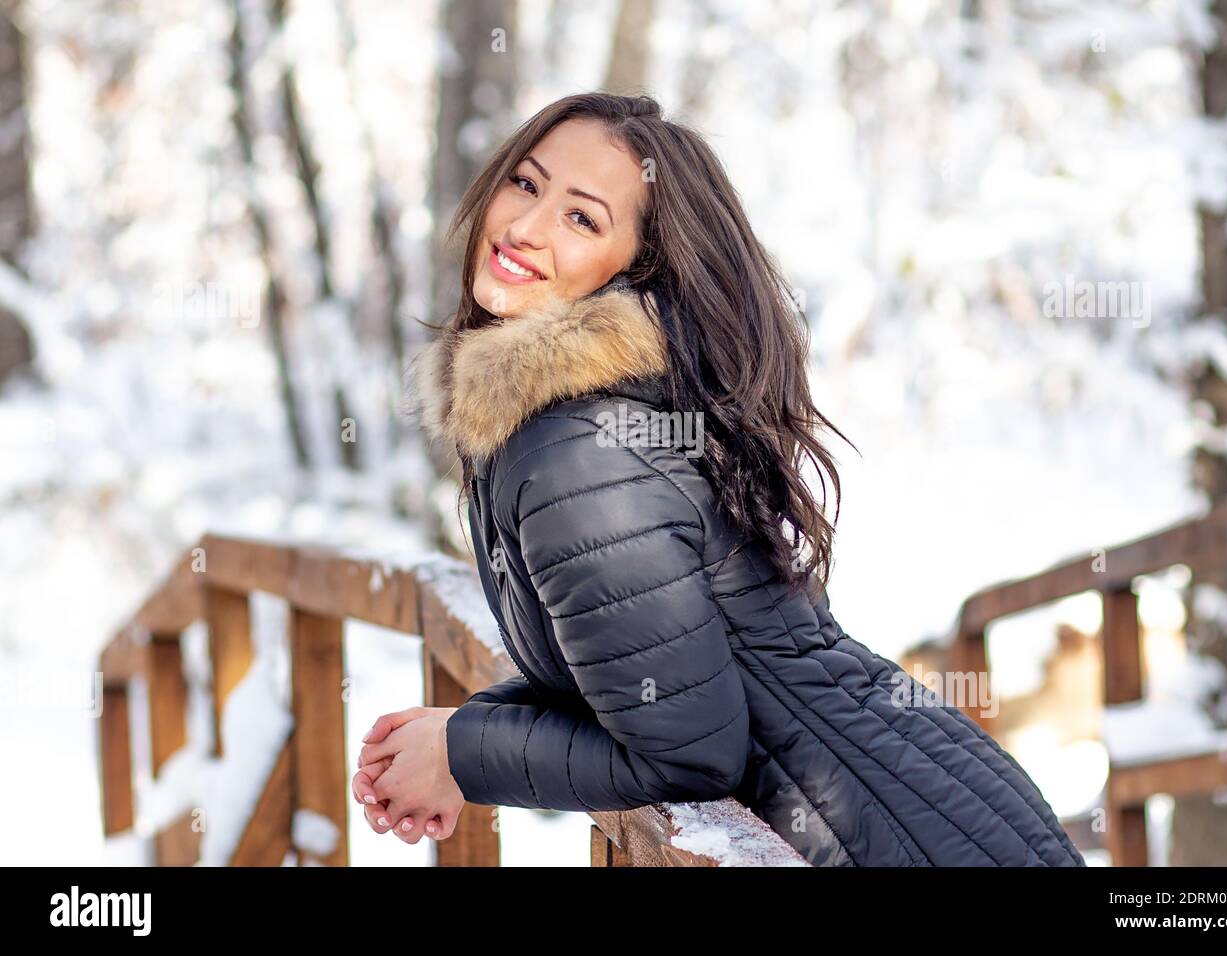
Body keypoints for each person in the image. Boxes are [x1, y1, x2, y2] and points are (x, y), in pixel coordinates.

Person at [351, 91, 1086, 866]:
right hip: (926, 804)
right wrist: (462, 735)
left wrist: (465, 752)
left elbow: (685, 753)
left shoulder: (577, 448)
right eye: (527, 185)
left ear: (634, 265)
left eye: (582, 219)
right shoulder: (594, 417)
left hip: (893, 837)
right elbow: (644, 674)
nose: (526, 229)